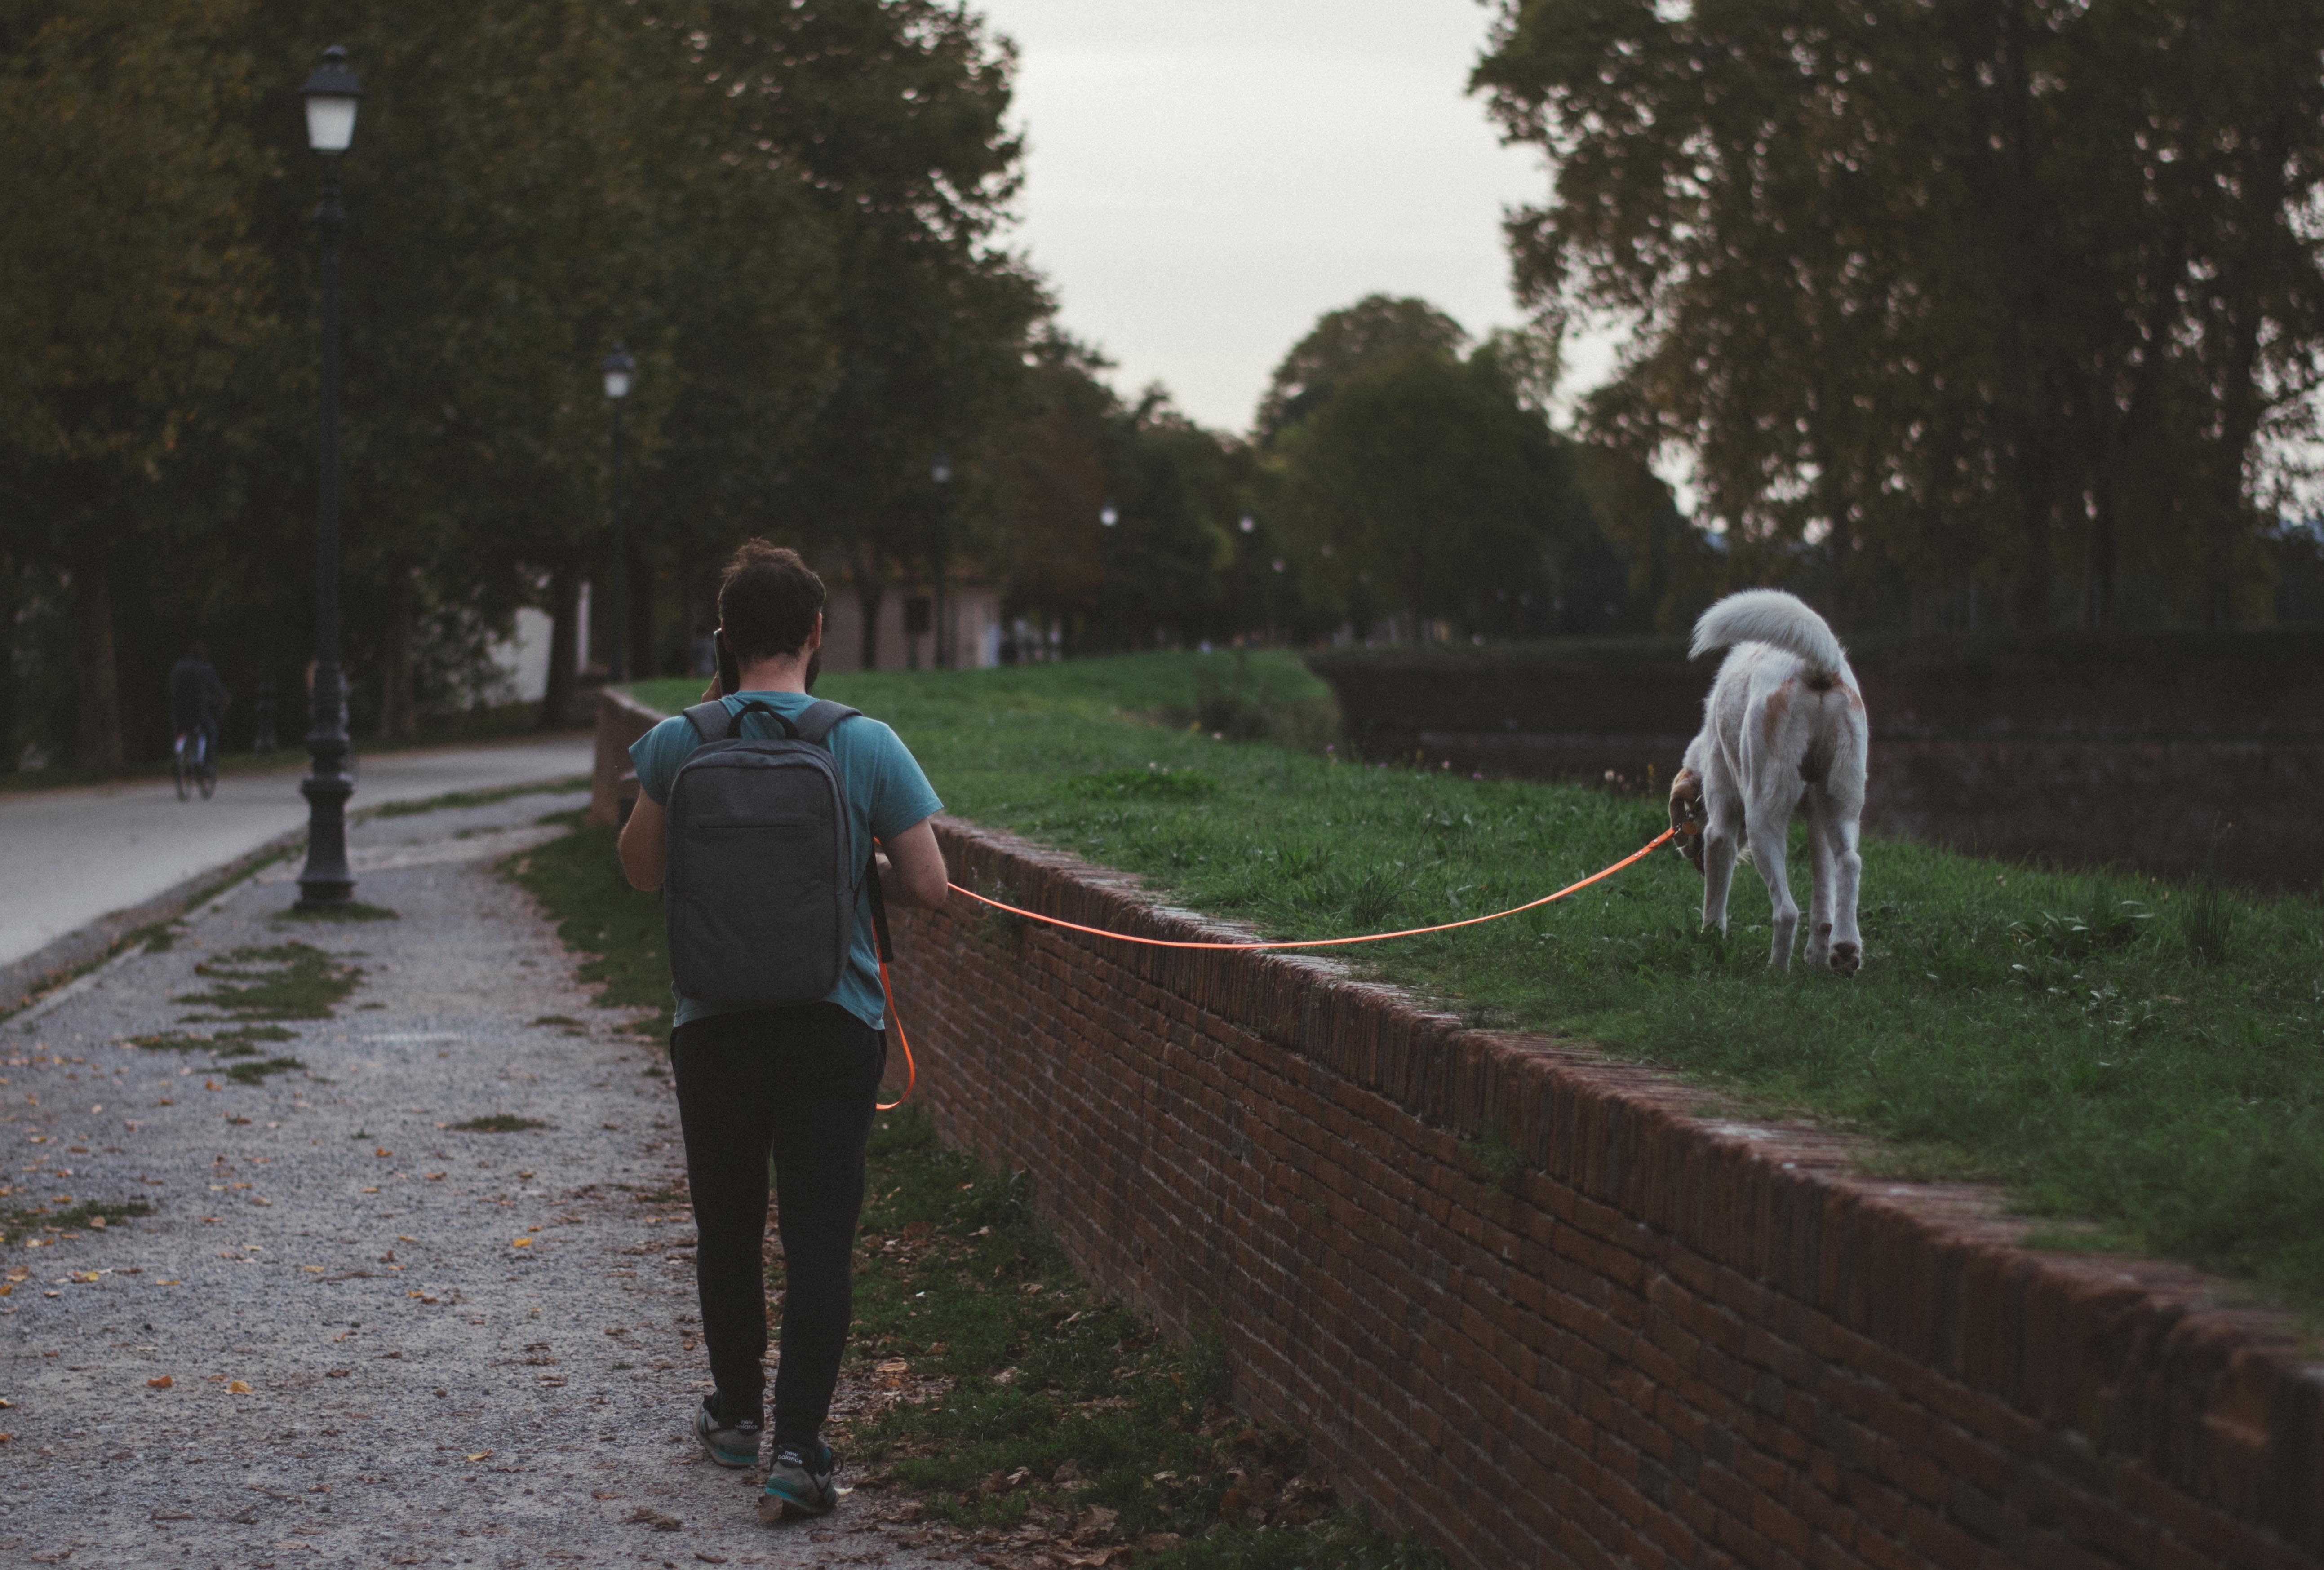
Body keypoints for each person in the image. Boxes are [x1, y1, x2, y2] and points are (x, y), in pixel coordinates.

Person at [616, 541, 949, 1525]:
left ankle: (730, 1416)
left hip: (714, 1025)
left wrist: (694, 728)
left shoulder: (681, 740)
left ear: (723, 638)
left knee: (727, 1228)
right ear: (816, 634)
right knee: (817, 1240)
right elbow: (929, 884)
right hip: (830, 1023)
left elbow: (640, 871)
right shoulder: (867, 741)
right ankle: (798, 1451)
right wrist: (860, 871)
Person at [166, 642, 231, 771]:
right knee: (210, 732)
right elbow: (216, 686)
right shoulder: (204, 668)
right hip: (198, 709)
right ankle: (207, 765)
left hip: (178, 709)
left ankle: (178, 756)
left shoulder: (179, 667)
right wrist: (224, 699)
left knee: (181, 731)